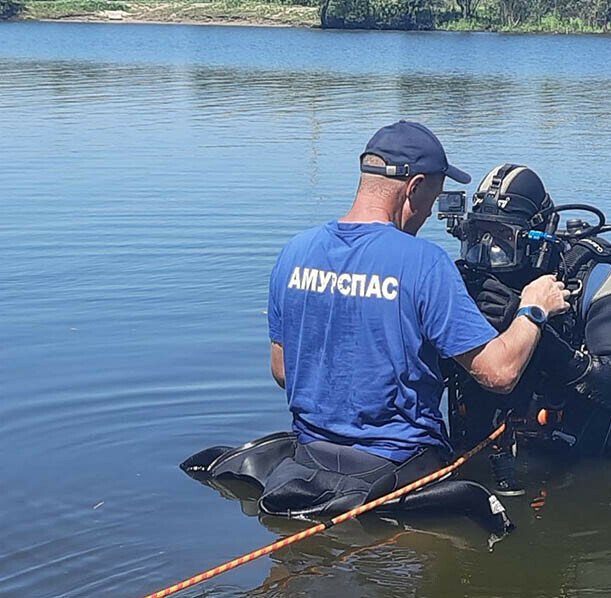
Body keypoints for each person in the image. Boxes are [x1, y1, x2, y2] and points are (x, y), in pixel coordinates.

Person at [181, 123, 569, 529]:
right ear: (414, 187)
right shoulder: (424, 263)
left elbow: (283, 372)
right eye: (432, 200)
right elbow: (500, 373)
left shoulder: (295, 252)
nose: (429, 215)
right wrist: (533, 309)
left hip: (310, 458)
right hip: (399, 465)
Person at [444, 164, 611, 496]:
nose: (486, 252)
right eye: (475, 236)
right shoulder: (464, 283)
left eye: (501, 240)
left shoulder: (594, 282)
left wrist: (532, 326)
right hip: (477, 465)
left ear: (535, 239)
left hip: (580, 475)